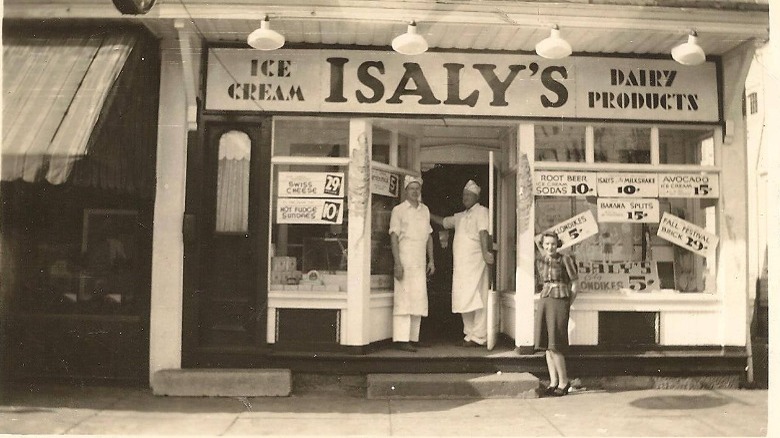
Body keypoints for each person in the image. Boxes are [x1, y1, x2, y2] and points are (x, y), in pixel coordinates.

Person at [431, 180, 494, 347]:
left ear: (476, 196)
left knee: (478, 298)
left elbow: (483, 232)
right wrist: (425, 213)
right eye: (464, 195)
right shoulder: (460, 216)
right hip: (462, 266)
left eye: (468, 195)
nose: (465, 198)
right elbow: (444, 222)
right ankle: (469, 334)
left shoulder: (482, 211)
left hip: (476, 262)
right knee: (464, 298)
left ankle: (479, 336)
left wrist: (486, 253)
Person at [389, 175, 435, 352]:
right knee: (404, 299)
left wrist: (431, 260)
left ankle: (413, 338)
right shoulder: (399, 210)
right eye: (411, 189)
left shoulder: (425, 210)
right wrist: (397, 263)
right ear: (406, 191)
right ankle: (401, 339)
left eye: (417, 189)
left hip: (420, 261)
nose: (415, 192)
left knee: (418, 298)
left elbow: (429, 237)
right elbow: (393, 237)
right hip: (405, 259)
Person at [535, 231, 578, 397]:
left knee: (555, 344)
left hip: (560, 301)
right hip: (545, 299)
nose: (549, 247)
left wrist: (568, 303)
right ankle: (553, 381)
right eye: (546, 244)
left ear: (557, 244)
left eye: (552, 244)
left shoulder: (565, 259)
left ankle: (564, 382)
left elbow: (575, 284)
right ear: (543, 245)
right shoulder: (541, 260)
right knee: (547, 345)